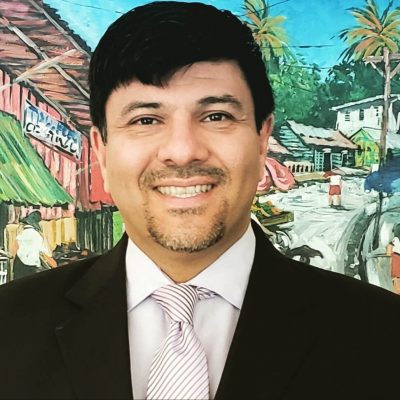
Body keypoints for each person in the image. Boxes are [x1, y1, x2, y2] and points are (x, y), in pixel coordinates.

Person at [1, 2, 400, 399]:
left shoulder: (382, 335)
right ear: (102, 151)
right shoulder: (10, 327)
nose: (183, 151)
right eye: (145, 120)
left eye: (216, 116)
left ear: (262, 139)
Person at [13, 210, 53, 279]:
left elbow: (14, 248)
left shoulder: (20, 235)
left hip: (19, 264)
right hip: (32, 266)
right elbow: (43, 252)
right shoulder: (37, 236)